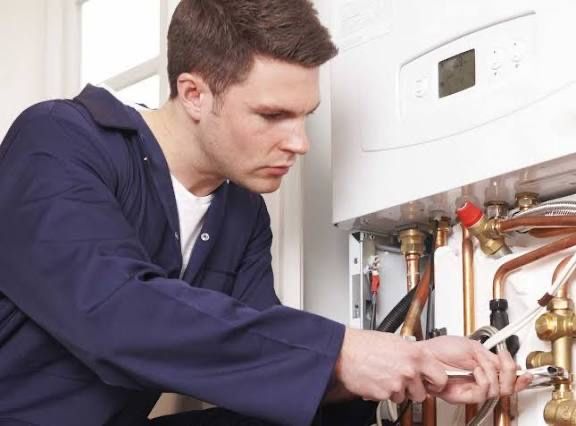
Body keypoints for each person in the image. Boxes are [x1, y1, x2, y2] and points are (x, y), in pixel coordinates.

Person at [0, 0, 530, 425]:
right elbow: (115, 315)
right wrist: (345, 351)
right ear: (194, 93)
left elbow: (264, 364)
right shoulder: (58, 140)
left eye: (304, 117)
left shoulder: (242, 211)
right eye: (272, 115)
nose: (299, 143)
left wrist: (418, 365)